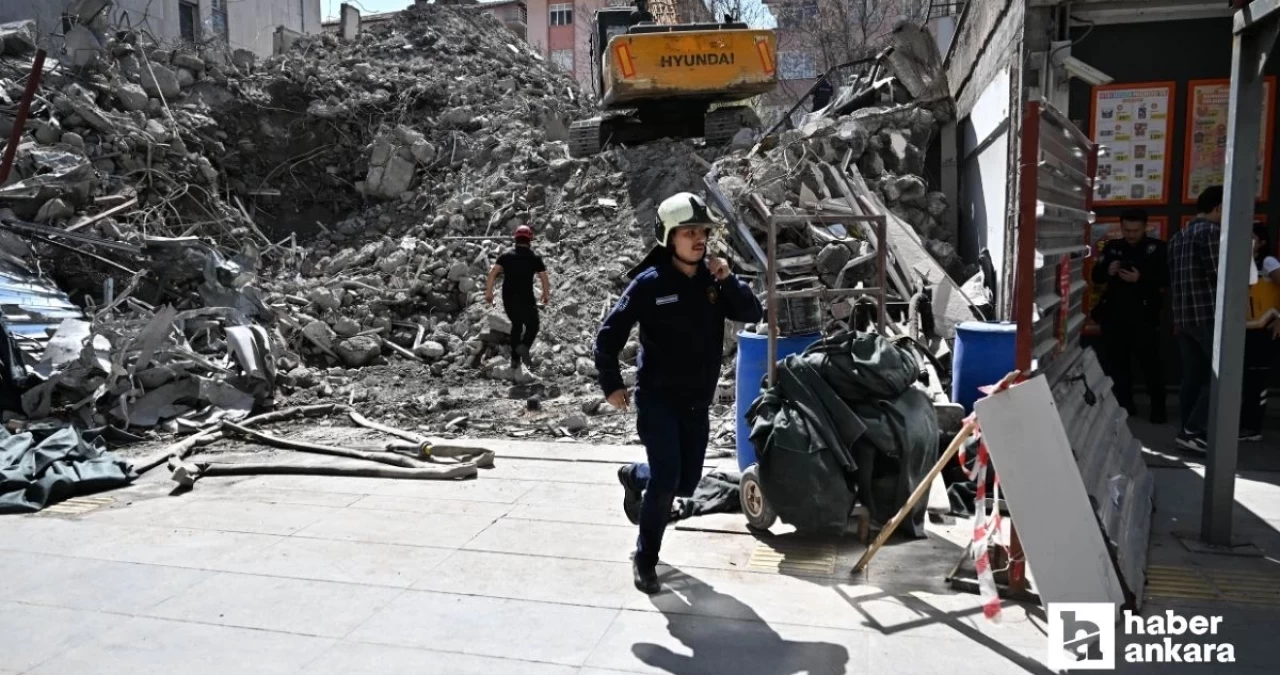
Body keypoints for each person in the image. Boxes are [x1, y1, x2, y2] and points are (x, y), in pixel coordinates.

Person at [594, 191, 763, 594]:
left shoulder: (713, 282)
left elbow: (752, 313)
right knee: (669, 479)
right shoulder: (649, 284)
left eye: (702, 231)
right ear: (669, 237)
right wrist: (612, 383)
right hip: (658, 399)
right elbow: (608, 336)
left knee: (685, 484)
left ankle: (635, 476)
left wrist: (728, 278)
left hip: (696, 402)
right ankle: (645, 558)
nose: (699, 239)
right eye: (689, 232)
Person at [1090, 208, 1168, 422]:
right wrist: (1109, 271)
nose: (1131, 234)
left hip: (1145, 315)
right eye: (1126, 229)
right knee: (1118, 364)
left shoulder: (1158, 248)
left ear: (1145, 227)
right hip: (1115, 315)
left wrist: (1140, 279)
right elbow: (1096, 276)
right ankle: (1126, 405)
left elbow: (1166, 279)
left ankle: (1158, 409)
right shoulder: (1114, 247)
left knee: (1151, 365)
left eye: (1135, 230)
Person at [1167, 186, 1225, 453]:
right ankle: (1193, 430)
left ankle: (1189, 430)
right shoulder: (1212, 233)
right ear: (1218, 208)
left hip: (1183, 318)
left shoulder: (1179, 237)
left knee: (1192, 377)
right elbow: (1221, 277)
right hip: (1209, 315)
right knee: (1221, 376)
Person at [485, 225, 550, 375]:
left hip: (508, 297)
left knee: (516, 325)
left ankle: (515, 360)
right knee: (533, 326)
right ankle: (524, 347)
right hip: (526, 297)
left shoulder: (505, 256)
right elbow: (544, 277)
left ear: (515, 239)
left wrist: (489, 292)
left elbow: (492, 273)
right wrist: (545, 294)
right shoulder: (534, 258)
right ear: (530, 240)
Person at [1242, 223, 1280, 440]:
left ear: (1262, 242)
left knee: (1256, 381)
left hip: (1264, 329)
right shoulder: (1243, 263)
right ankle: (1244, 424)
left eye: (1252, 237)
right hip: (1246, 330)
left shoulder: (1268, 261)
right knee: (1246, 380)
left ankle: (1252, 428)